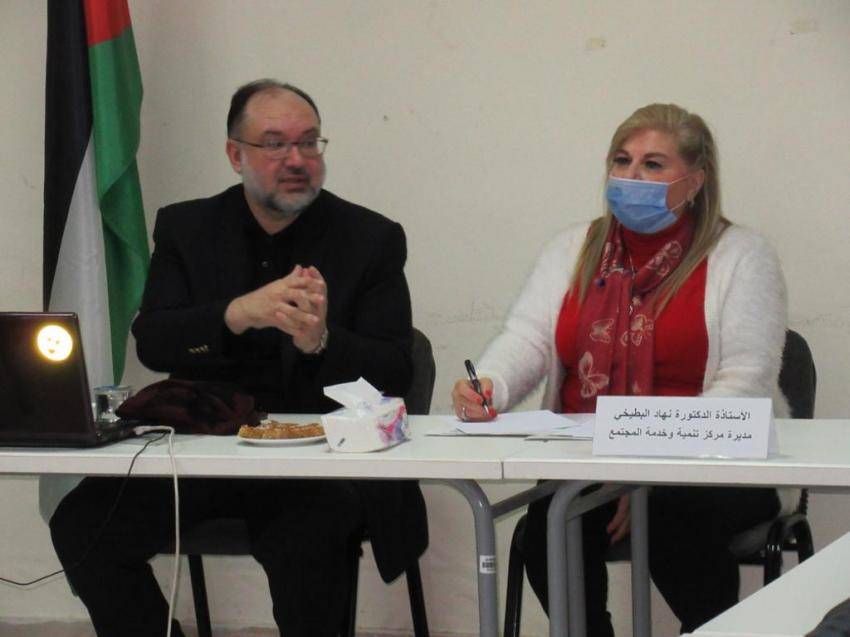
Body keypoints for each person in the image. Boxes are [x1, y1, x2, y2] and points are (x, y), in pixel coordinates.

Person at [50, 79, 428, 637]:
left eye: (309, 142)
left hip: (320, 462)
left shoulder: (370, 237)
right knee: (83, 523)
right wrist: (236, 314)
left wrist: (321, 341)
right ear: (235, 155)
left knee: (309, 537)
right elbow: (154, 342)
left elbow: (397, 367)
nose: (296, 160)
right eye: (274, 144)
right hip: (205, 450)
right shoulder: (187, 228)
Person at [452, 103, 788, 635]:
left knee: (673, 524)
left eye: (653, 164)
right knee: (547, 532)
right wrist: (489, 384)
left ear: (695, 181)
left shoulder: (742, 256)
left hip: (712, 464)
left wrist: (642, 468)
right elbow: (529, 337)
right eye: (622, 160)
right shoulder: (573, 247)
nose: (632, 176)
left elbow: (745, 383)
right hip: (589, 461)